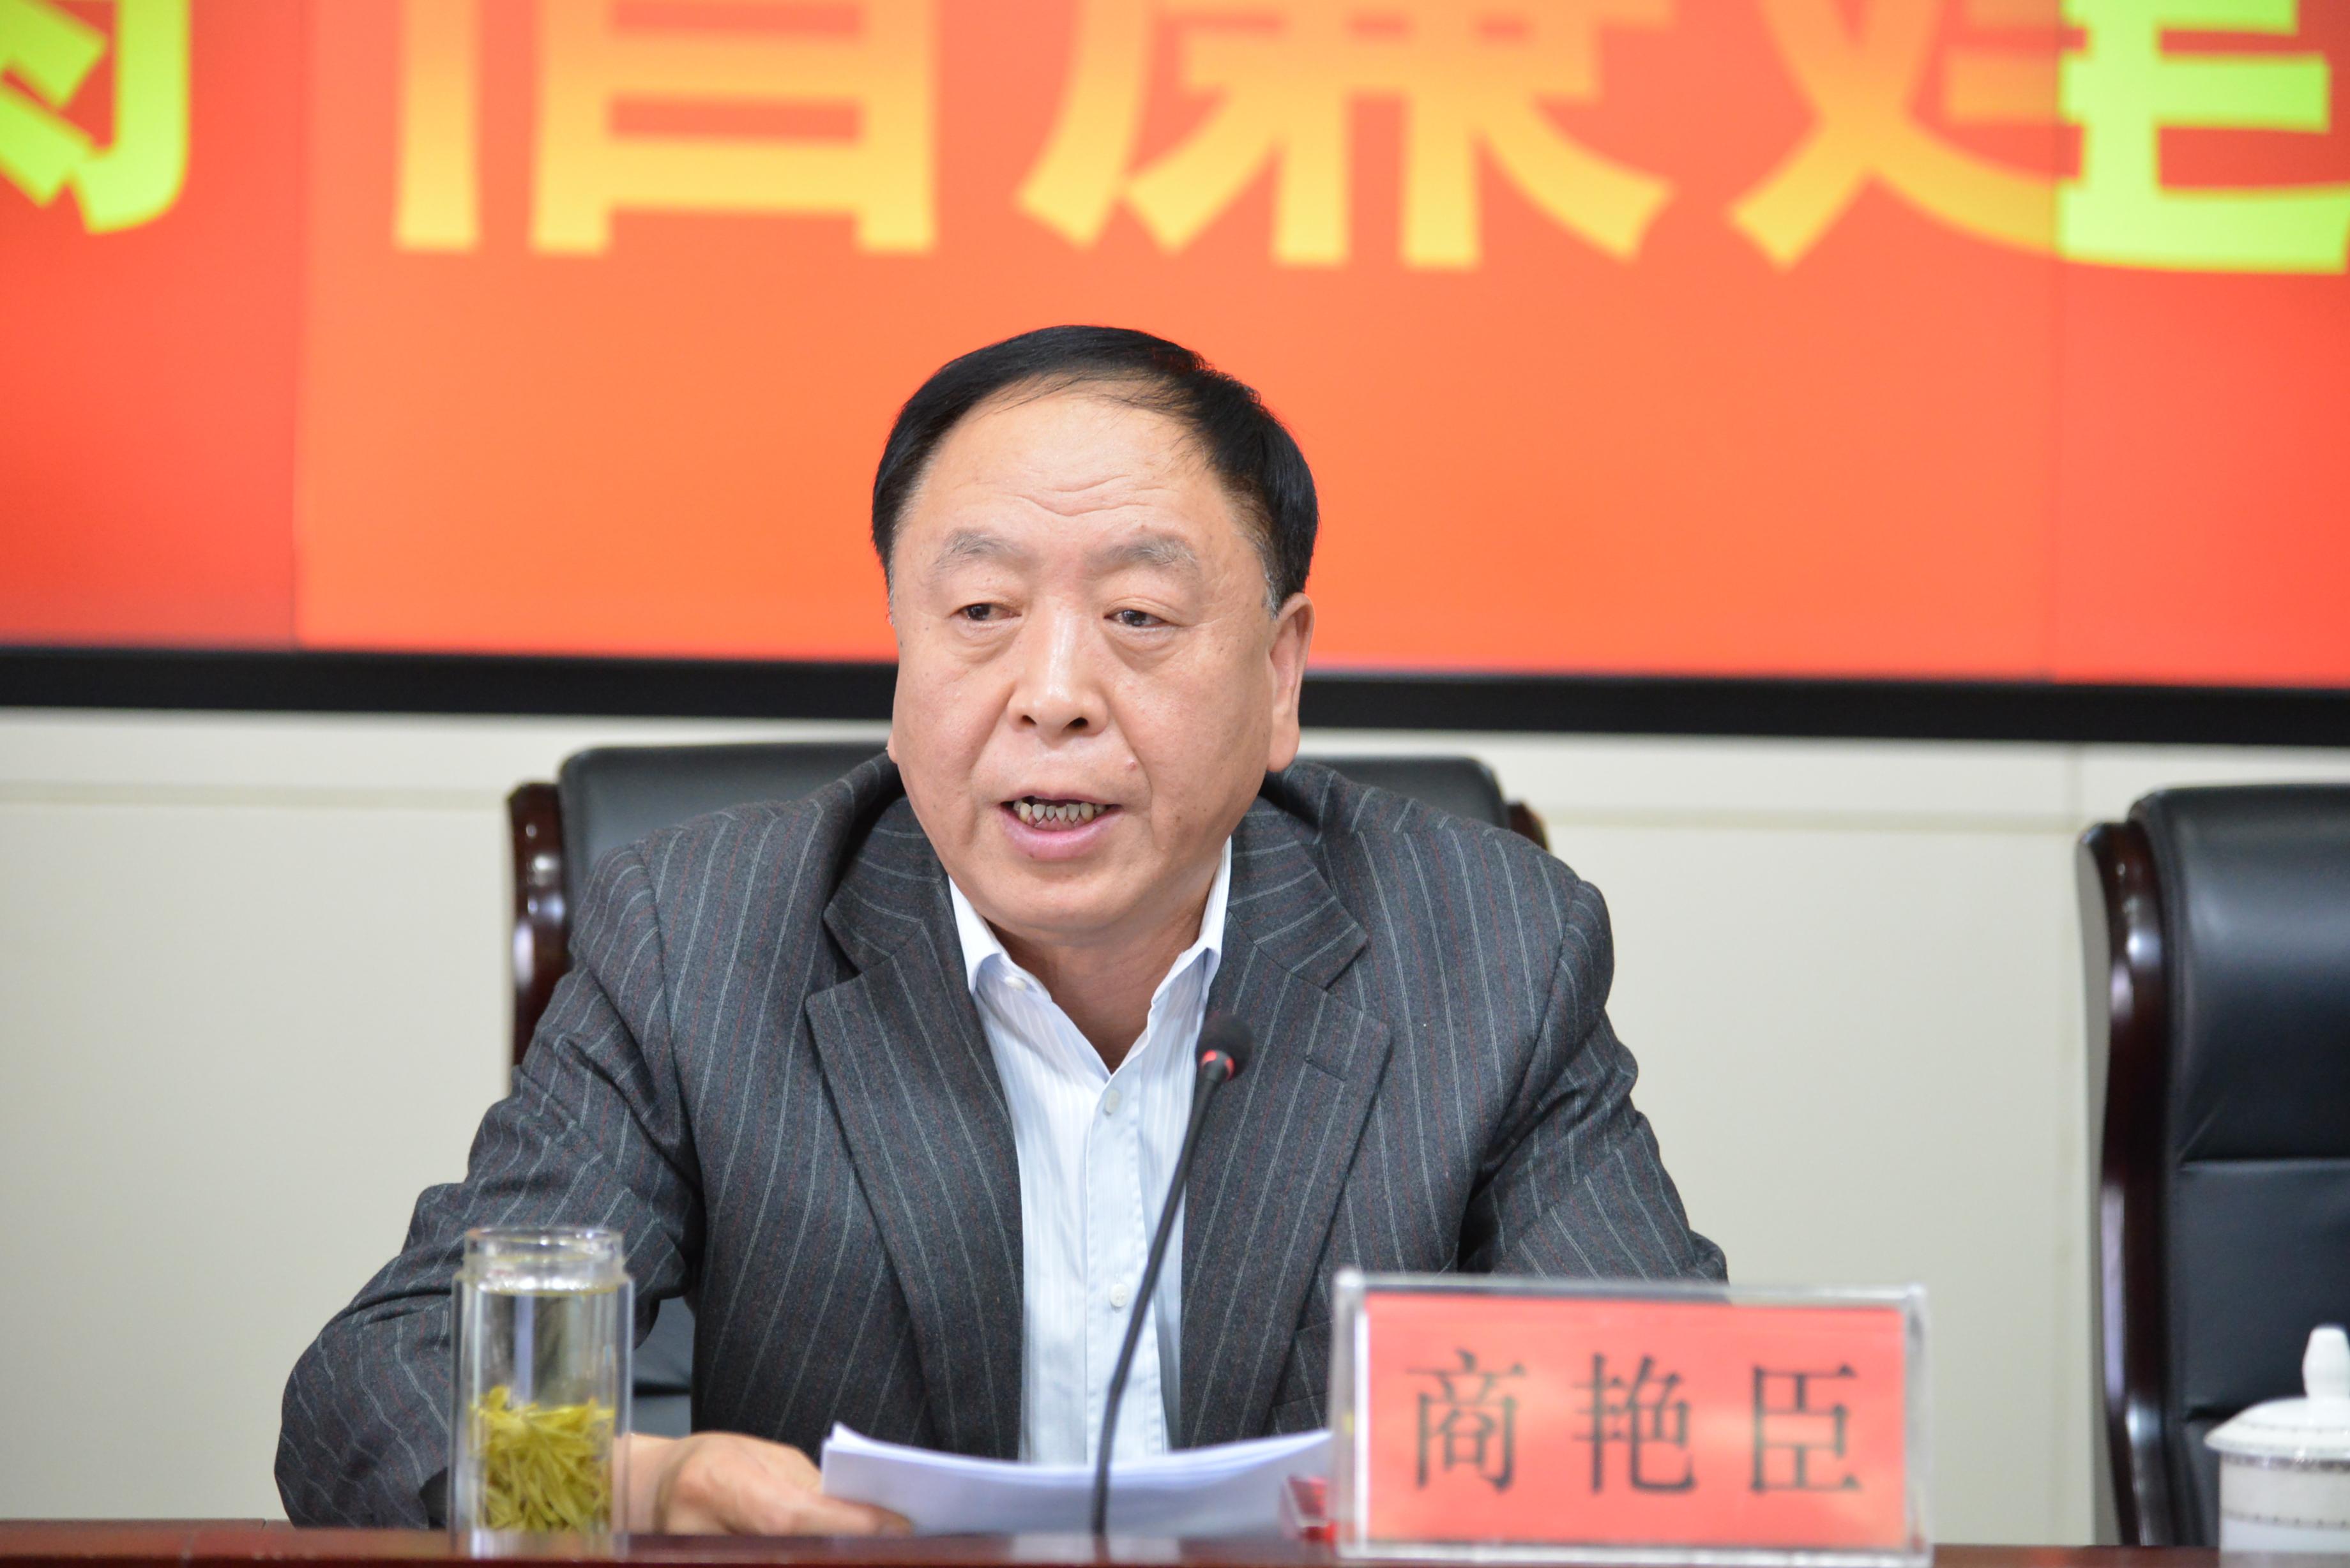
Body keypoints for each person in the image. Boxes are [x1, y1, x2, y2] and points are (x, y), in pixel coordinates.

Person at [276, 325, 1724, 1532]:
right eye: (979, 610)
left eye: (1140, 618)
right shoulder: (702, 939)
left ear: (1280, 677)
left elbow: (1667, 1415)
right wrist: (635, 1484)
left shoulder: (1487, 946)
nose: (1053, 694)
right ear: (902, 648)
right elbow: (380, 1391)